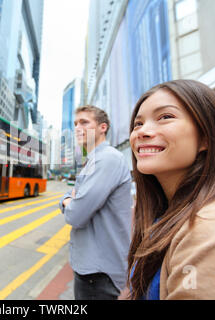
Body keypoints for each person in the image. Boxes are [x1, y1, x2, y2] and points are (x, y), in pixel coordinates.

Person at [127, 79, 215, 299]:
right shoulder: (167, 215)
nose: (142, 132)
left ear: (206, 137)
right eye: (138, 123)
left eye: (165, 117)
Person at [59, 105, 132, 300]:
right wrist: (69, 199)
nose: (77, 127)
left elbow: (75, 214)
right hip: (92, 271)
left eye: (84, 122)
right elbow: (72, 196)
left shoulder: (107, 159)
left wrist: (67, 201)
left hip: (99, 274)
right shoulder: (92, 161)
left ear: (102, 127)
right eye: (75, 123)